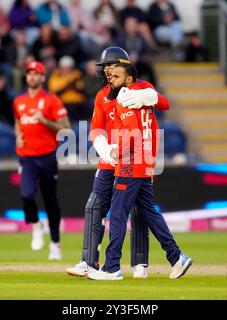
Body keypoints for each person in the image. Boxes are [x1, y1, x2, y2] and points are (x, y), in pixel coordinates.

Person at [66, 47, 170, 279]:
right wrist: (105, 149)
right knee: (95, 206)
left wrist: (147, 96)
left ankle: (139, 263)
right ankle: (88, 261)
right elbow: (95, 129)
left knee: (138, 209)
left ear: (124, 67)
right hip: (111, 157)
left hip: (136, 157)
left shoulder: (141, 87)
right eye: (105, 67)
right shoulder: (102, 95)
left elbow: (163, 103)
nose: (107, 71)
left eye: (111, 66)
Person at [88, 62, 192, 280]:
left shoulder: (124, 98)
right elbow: (162, 104)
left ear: (127, 79)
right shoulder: (142, 92)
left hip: (130, 163)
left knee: (117, 214)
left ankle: (112, 267)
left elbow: (133, 134)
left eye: (116, 76)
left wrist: (116, 152)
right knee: (149, 213)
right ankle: (176, 257)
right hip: (146, 163)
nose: (111, 79)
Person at [14, 61, 70, 260]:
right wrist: (18, 135)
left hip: (47, 155)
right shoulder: (18, 101)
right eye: (29, 73)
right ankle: (36, 224)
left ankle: (55, 243)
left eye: (36, 73)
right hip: (26, 156)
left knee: (50, 200)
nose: (32, 77)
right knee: (27, 194)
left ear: (42, 77)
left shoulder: (51, 100)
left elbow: (66, 127)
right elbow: (17, 122)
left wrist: (44, 120)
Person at [47, 55, 86, 122]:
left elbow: (83, 90)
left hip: (78, 103)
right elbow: (54, 92)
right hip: (63, 103)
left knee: (83, 117)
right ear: (61, 67)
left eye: (69, 67)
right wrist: (67, 86)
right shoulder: (56, 75)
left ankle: (83, 131)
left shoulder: (77, 74)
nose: (68, 69)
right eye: (66, 67)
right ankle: (68, 129)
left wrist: (74, 86)